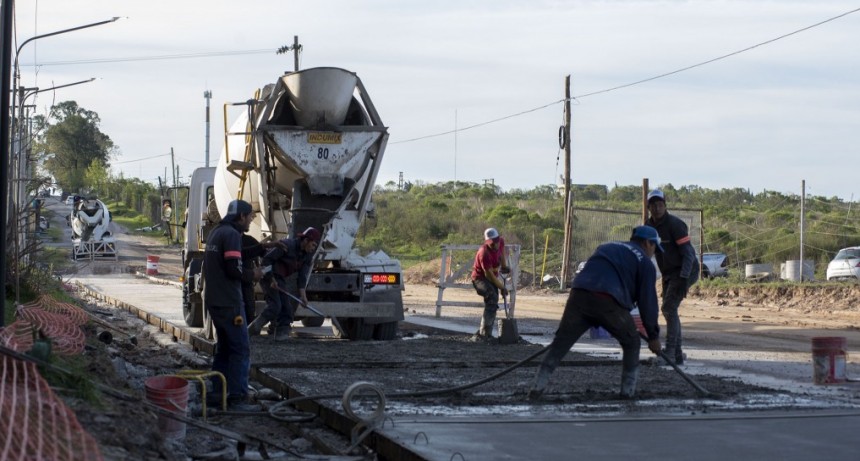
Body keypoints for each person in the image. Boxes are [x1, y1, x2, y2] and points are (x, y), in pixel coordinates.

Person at [528, 226, 664, 400]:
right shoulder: (645, 262)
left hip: (579, 293)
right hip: (608, 300)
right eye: (654, 248)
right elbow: (648, 302)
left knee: (560, 344)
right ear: (647, 243)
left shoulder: (607, 246)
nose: (653, 253)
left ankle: (536, 388)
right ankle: (627, 393)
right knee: (632, 342)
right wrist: (653, 336)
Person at [203, 199, 258, 409]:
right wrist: (254, 274)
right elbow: (234, 269)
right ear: (241, 216)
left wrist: (262, 248)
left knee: (224, 348)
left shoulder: (216, 232)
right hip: (230, 302)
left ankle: (218, 392)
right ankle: (237, 397)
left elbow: (233, 256)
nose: (251, 220)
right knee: (240, 349)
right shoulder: (233, 235)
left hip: (215, 301)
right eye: (250, 216)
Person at [646, 189, 699, 365]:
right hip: (669, 272)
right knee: (670, 310)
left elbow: (688, 254)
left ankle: (669, 352)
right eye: (653, 205)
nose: (657, 208)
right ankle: (677, 354)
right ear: (648, 207)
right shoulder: (648, 227)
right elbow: (645, 252)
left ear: (665, 205)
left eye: (660, 205)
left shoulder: (675, 225)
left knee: (668, 308)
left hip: (686, 269)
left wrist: (684, 278)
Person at [247, 227, 321, 340]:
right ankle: (252, 329)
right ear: (306, 240)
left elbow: (302, 277)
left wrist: (303, 296)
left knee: (286, 307)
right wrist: (271, 279)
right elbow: (266, 260)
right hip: (267, 274)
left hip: (279, 278)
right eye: (313, 244)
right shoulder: (287, 245)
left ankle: (282, 334)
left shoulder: (307, 256)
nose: (313, 248)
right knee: (275, 306)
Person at [471, 227, 510, 339]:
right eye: (492, 244)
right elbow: (489, 276)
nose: (495, 245)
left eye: (496, 242)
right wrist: (502, 287)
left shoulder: (500, 241)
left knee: (493, 301)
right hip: (479, 278)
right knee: (492, 297)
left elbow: (502, 253)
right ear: (487, 242)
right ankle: (484, 334)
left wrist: (504, 266)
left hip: (492, 277)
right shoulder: (484, 253)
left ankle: (486, 332)